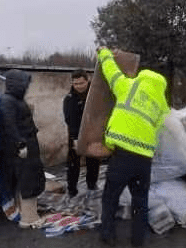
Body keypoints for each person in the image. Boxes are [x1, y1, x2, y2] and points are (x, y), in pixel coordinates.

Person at [96, 47, 170, 247]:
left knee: (111, 196)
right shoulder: (161, 104)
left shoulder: (128, 87)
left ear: (142, 77)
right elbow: (158, 127)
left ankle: (108, 235)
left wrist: (104, 53)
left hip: (122, 156)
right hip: (144, 159)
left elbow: (110, 70)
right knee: (140, 202)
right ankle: (138, 241)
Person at [0, 69, 46, 229]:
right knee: (27, 182)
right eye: (24, 83)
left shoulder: (15, 100)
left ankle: (27, 213)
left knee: (31, 179)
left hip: (28, 145)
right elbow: (9, 125)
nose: (26, 87)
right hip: (22, 148)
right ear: (16, 84)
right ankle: (28, 218)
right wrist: (20, 144)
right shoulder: (8, 101)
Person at [63, 69, 101, 198]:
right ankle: (72, 189)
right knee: (73, 163)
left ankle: (92, 184)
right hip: (75, 134)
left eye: (81, 83)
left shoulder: (95, 95)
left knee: (93, 160)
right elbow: (69, 119)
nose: (79, 86)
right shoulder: (69, 99)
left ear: (87, 80)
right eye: (75, 84)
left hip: (93, 133)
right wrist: (75, 138)